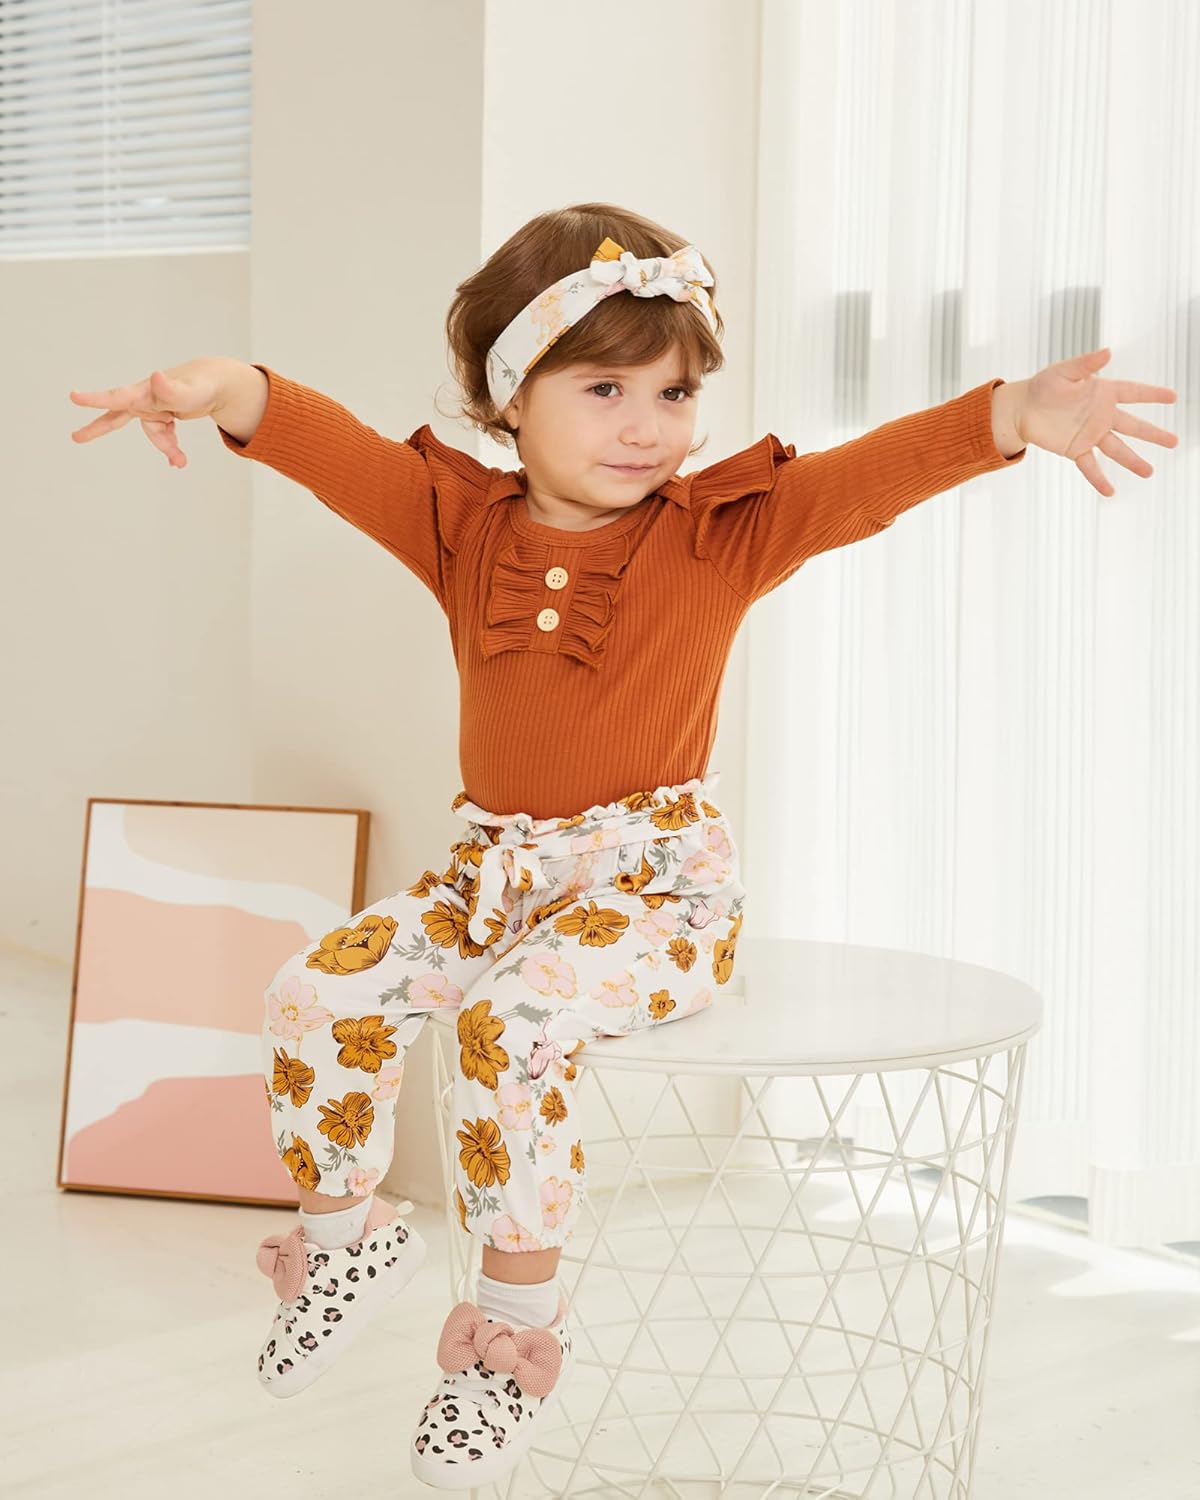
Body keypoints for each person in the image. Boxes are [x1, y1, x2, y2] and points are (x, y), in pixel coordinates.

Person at [67, 201, 1177, 1490]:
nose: (649, 425)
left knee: (509, 1026)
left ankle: (510, 1331)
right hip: (490, 881)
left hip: (655, 895)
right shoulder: (460, 524)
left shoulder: (722, 530)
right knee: (316, 990)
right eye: (605, 389)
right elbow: (339, 453)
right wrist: (226, 388)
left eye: (676, 391)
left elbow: (865, 479)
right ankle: (346, 1239)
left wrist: (1008, 417)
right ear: (511, 397)